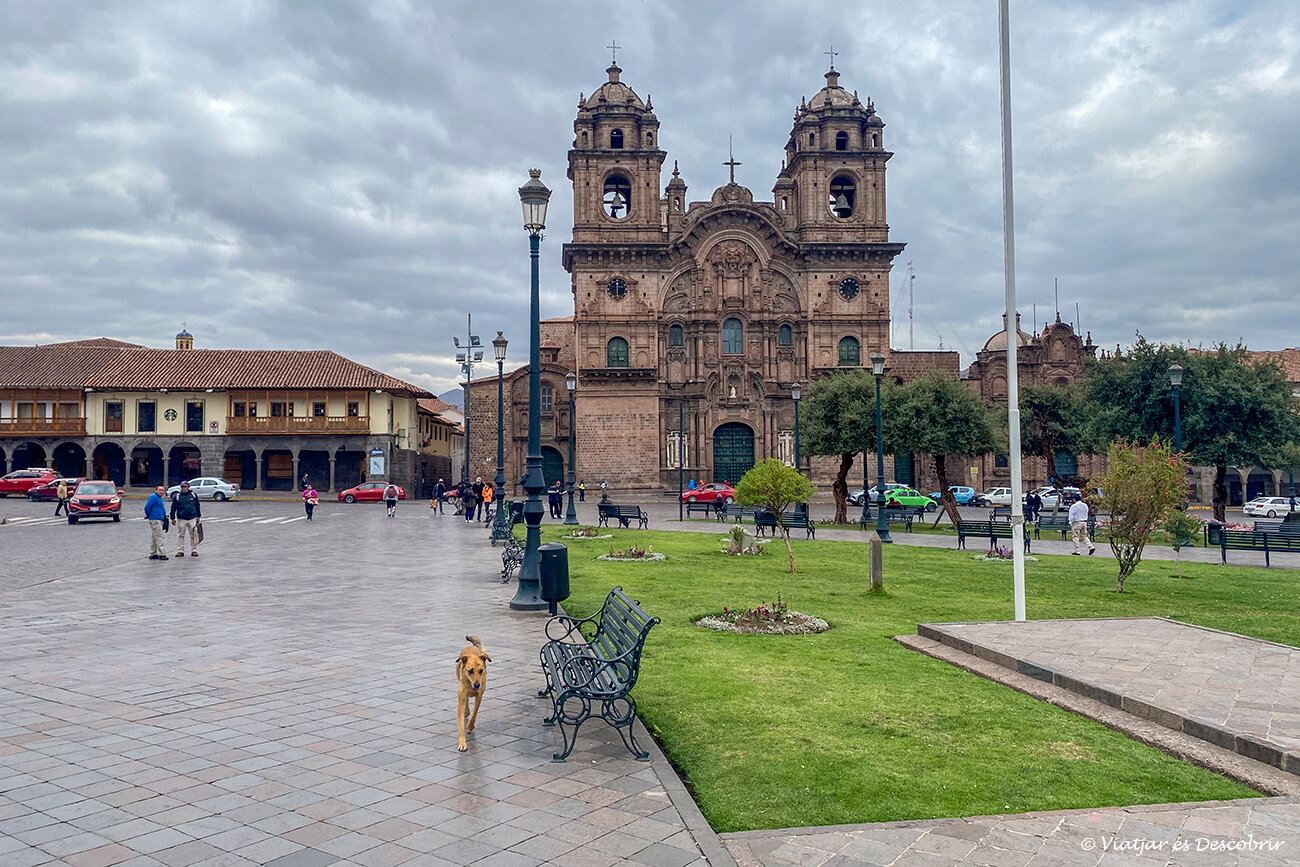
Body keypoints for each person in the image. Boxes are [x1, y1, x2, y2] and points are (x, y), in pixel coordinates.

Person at [171, 481, 202, 557]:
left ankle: (194, 550)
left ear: (188, 487)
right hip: (181, 518)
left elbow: (197, 505)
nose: (183, 488)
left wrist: (198, 515)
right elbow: (173, 507)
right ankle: (180, 550)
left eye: (185, 487)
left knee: (193, 535)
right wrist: (172, 517)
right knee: (181, 535)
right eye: (182, 487)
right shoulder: (177, 496)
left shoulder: (193, 495)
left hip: (192, 518)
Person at [144, 485, 169, 560]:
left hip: (159, 518)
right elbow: (147, 507)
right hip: (155, 519)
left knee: (155, 537)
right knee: (159, 537)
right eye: (160, 490)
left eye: (162, 490)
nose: (161, 492)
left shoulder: (159, 498)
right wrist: (149, 515)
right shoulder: (154, 497)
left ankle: (153, 552)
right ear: (156, 490)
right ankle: (161, 553)